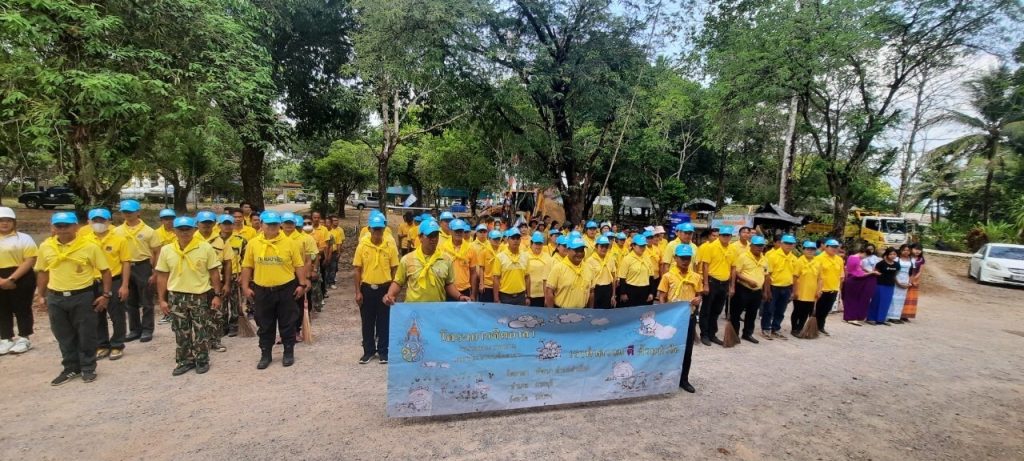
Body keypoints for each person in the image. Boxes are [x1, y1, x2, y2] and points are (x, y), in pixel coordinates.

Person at [35, 212, 112, 385]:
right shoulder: (46, 246)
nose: (63, 229)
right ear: (53, 227)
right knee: (63, 334)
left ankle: (88, 367)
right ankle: (71, 367)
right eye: (59, 226)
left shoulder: (89, 246)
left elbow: (105, 271)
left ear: (76, 227)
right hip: (56, 296)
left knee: (86, 333)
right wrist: (40, 295)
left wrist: (106, 295)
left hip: (82, 295)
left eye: (67, 226)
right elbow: (43, 271)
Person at [240, 211, 310, 369]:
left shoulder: (290, 243)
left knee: (288, 322)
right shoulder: (253, 243)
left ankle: (288, 352)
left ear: (279, 225)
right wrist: (245, 286)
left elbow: (298, 265)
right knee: (265, 324)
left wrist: (302, 284)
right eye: (268, 224)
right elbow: (247, 266)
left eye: (275, 224)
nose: (272, 227)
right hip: (262, 290)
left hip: (286, 289)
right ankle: (266, 354)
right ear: (261, 225)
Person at [155, 217, 222, 376]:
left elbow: (214, 272)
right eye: (181, 229)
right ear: (174, 231)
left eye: (188, 229)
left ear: (194, 230)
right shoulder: (167, 250)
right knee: (180, 331)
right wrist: (162, 299)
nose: (184, 232)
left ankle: (202, 360)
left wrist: (217, 295)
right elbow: (162, 276)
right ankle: (185, 360)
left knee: (201, 330)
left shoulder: (205, 248)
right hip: (176, 296)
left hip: (199, 295)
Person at [384, 220, 470, 313]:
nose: (434, 239)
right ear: (420, 237)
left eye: (436, 235)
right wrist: (390, 294)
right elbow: (398, 282)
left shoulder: (446, 259)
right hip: (414, 312)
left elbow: (448, 284)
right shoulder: (407, 259)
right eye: (430, 235)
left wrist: (459, 296)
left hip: (437, 311)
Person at [353, 213, 400, 364]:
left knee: (384, 322)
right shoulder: (362, 246)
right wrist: (358, 292)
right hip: (367, 288)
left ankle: (383, 351)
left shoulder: (390, 246)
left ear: (384, 229)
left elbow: (395, 269)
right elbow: (357, 270)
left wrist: (392, 291)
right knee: (367, 322)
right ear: (369, 229)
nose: (378, 232)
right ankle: (368, 351)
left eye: (380, 229)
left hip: (385, 289)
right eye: (375, 229)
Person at [87, 209, 131, 360]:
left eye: (102, 220)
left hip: (114, 280)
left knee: (117, 314)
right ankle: (102, 345)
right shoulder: (84, 240)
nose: (98, 223)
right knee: (96, 315)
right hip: (92, 282)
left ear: (109, 222)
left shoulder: (119, 239)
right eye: (95, 220)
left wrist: (125, 285)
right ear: (89, 222)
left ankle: (117, 344)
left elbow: (126, 263)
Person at [658, 244, 702, 393]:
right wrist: (665, 314)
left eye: (687, 258)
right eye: (682, 258)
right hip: (672, 320)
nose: (685, 261)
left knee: (687, 350)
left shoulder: (696, 277)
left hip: (688, 318)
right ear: (675, 258)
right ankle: (666, 378)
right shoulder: (668, 276)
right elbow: (662, 296)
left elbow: (699, 294)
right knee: (669, 349)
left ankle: (684, 379)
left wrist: (698, 299)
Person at [111, 200, 157, 342]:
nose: (127, 214)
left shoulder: (149, 231)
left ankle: (147, 329)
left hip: (142, 266)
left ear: (138, 212)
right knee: (130, 301)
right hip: (125, 267)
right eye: (125, 211)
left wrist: (155, 271)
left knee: (146, 300)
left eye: (130, 211)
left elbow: (157, 251)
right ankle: (134, 329)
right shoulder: (117, 231)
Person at [0, 207, 38, 356]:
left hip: (21, 276)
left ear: (14, 222)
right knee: (2, 308)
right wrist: (1, 281)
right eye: (1, 221)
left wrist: (11, 279)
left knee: (22, 307)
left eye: (8, 220)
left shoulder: (24, 238)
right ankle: (5, 338)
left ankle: (24, 337)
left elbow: (30, 259)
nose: (4, 223)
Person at [195, 211, 231, 352]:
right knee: (197, 314)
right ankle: (200, 342)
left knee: (216, 313)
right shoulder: (191, 238)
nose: (206, 225)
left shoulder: (221, 241)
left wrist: (226, 283)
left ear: (214, 224)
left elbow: (228, 263)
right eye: (203, 222)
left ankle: (215, 341)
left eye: (209, 222)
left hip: (215, 282)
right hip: (196, 283)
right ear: (197, 223)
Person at [697, 226, 733, 346]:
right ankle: (704, 334)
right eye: (724, 235)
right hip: (712, 282)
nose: (726, 237)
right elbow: (705, 266)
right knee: (706, 309)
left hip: (724, 283)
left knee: (717, 310)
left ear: (731, 237)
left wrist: (731, 285)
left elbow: (733, 267)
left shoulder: (732, 249)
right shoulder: (710, 247)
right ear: (720, 236)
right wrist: (706, 284)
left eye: (728, 235)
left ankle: (712, 334)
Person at [730, 235, 769, 344]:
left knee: (752, 314)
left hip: (757, 291)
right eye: (757, 245)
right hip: (743, 289)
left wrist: (765, 291)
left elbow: (766, 275)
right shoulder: (743, 257)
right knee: (736, 313)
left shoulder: (764, 259)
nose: (759, 248)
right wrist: (748, 281)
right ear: (751, 245)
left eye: (761, 246)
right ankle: (734, 334)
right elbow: (736, 272)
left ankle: (747, 334)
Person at [762, 234, 797, 339]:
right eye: (786, 243)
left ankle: (776, 328)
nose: (789, 245)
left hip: (787, 287)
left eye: (791, 244)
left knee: (781, 310)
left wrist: (793, 291)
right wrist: (767, 290)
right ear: (781, 243)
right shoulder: (772, 256)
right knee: (769, 309)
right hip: (774, 287)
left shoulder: (794, 258)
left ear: (794, 245)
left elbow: (794, 276)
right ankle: (766, 328)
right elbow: (767, 274)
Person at [545, 237, 593, 309]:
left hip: (582, 311)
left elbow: (591, 291)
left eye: (581, 250)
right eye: (576, 250)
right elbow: (549, 291)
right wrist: (552, 312)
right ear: (568, 250)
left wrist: (590, 311)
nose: (580, 253)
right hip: (561, 311)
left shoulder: (588, 268)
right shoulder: (558, 268)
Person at [813, 239, 844, 335]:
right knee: (818, 309)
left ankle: (821, 326)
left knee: (826, 310)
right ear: (826, 247)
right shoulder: (818, 258)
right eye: (832, 247)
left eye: (836, 247)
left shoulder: (839, 259)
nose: (834, 249)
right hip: (821, 289)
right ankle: (813, 326)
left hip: (833, 289)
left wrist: (839, 288)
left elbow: (841, 275)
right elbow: (815, 275)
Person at [442, 219, 479, 301]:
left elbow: (473, 273)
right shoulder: (443, 248)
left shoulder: (470, 249)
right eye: (456, 231)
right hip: (447, 289)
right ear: (451, 231)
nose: (459, 233)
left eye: (461, 231)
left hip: (465, 290)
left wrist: (473, 294)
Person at [493, 228, 530, 305]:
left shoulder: (525, 256)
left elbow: (527, 277)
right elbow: (496, 278)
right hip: (505, 296)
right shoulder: (500, 257)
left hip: (521, 296)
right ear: (508, 240)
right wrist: (496, 299)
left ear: (520, 240)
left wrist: (528, 297)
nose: (515, 240)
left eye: (518, 238)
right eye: (513, 238)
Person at [618, 234, 655, 308]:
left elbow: (651, 277)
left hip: (645, 290)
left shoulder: (647, 258)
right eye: (640, 246)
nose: (643, 248)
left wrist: (651, 293)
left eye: (644, 246)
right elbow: (622, 277)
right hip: (631, 290)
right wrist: (623, 293)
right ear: (633, 246)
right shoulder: (627, 259)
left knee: (643, 312)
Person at [791, 241, 819, 335]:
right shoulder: (799, 261)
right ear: (803, 250)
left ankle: (800, 328)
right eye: (808, 249)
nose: (810, 251)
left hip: (811, 293)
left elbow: (820, 278)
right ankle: (794, 328)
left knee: (806, 312)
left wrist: (819, 290)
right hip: (800, 292)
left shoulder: (817, 262)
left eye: (812, 249)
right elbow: (795, 277)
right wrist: (795, 291)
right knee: (797, 311)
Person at [841, 247, 873, 325]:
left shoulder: (851, 257)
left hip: (851, 279)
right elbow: (858, 273)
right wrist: (871, 273)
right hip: (854, 280)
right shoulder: (856, 259)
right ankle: (851, 317)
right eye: (865, 255)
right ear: (863, 253)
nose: (864, 257)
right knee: (853, 299)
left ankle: (848, 316)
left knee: (850, 299)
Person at [867, 247, 899, 325]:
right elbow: (875, 272)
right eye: (891, 254)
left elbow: (895, 274)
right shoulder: (881, 263)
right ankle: (871, 318)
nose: (893, 256)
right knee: (876, 301)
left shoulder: (897, 265)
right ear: (887, 255)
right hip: (880, 284)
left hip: (890, 285)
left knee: (886, 302)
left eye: (894, 254)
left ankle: (881, 319)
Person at [587, 235, 617, 308]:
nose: (604, 248)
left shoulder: (610, 259)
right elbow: (588, 281)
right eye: (602, 246)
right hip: (595, 290)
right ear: (596, 247)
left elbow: (614, 277)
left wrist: (613, 295)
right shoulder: (590, 261)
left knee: (607, 311)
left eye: (606, 246)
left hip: (608, 289)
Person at [888, 244, 915, 324]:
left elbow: (911, 273)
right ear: (900, 250)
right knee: (893, 298)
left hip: (906, 279)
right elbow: (893, 272)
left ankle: (897, 316)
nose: (906, 252)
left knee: (901, 299)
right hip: (897, 279)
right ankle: (890, 316)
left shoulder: (912, 260)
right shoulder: (896, 259)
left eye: (908, 250)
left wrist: (909, 283)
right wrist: (897, 282)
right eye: (904, 250)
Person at [526, 232, 551, 307]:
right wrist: (526, 295)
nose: (538, 246)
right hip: (529, 295)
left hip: (543, 294)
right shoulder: (525, 256)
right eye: (536, 244)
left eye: (540, 244)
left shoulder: (548, 257)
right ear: (531, 244)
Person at [477, 230, 503, 302]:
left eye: (498, 239)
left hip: (500, 284)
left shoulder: (503, 250)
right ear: (489, 239)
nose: (497, 241)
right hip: (487, 284)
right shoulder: (484, 251)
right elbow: (481, 268)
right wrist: (481, 283)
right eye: (495, 239)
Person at [902, 243, 925, 321]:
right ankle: (899, 314)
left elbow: (920, 271)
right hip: (905, 278)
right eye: (915, 249)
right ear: (911, 249)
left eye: (919, 249)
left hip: (915, 280)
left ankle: (906, 315)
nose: (917, 251)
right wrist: (908, 279)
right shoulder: (907, 257)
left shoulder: (921, 259)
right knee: (903, 296)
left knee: (911, 298)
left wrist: (913, 279)